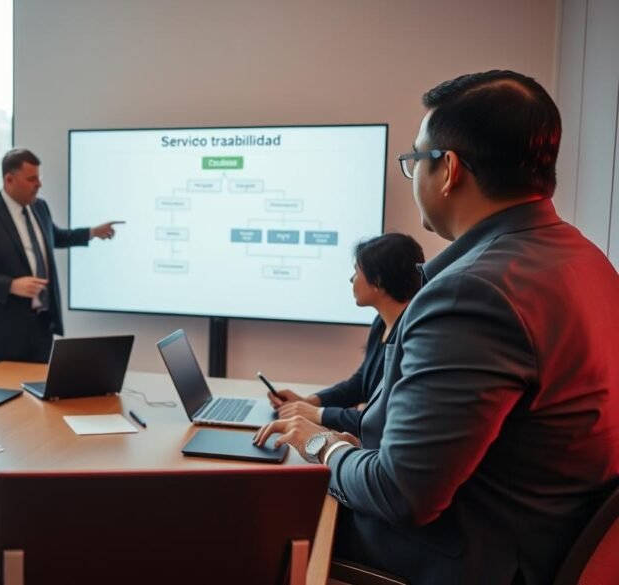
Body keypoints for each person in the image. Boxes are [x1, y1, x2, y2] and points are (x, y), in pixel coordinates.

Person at [254, 70, 619, 584]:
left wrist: (321, 444)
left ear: (447, 169)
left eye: (413, 161)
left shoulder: (473, 294)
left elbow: (402, 494)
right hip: (535, 539)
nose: (413, 174)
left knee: (242, 525)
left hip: (459, 558)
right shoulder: (587, 262)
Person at [0, 148, 122, 371]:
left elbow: (54, 237)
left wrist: (91, 232)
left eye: (38, 178)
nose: (38, 185)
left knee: (40, 399)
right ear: (9, 179)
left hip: (40, 328)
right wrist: (10, 285)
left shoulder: (39, 207)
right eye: (31, 179)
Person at [269, 233, 424, 433]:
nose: (352, 279)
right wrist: (310, 402)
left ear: (378, 282)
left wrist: (317, 414)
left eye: (357, 271)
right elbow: (360, 384)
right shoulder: (381, 322)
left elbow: (381, 419)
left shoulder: (411, 337)